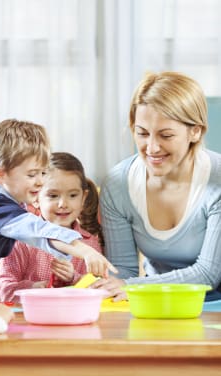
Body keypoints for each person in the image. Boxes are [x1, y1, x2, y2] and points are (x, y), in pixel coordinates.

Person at [92, 71, 221, 301]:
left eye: (166, 135)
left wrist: (133, 287)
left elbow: (208, 274)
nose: (151, 148)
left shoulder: (217, 181)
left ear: (195, 131)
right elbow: (123, 272)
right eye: (142, 133)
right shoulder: (119, 184)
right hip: (153, 304)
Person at [0, 119, 117, 301]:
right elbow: (43, 233)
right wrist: (85, 251)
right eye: (32, 174)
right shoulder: (0, 211)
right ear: (0, 175)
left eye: (42, 172)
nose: (40, 181)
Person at [0, 152, 104, 302]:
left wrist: (74, 278)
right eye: (53, 196)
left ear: (83, 198)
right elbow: (2, 291)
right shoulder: (20, 242)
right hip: (29, 321)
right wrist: (33, 288)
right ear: (35, 198)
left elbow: (100, 290)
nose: (63, 204)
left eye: (72, 195)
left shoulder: (90, 244)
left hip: (76, 320)